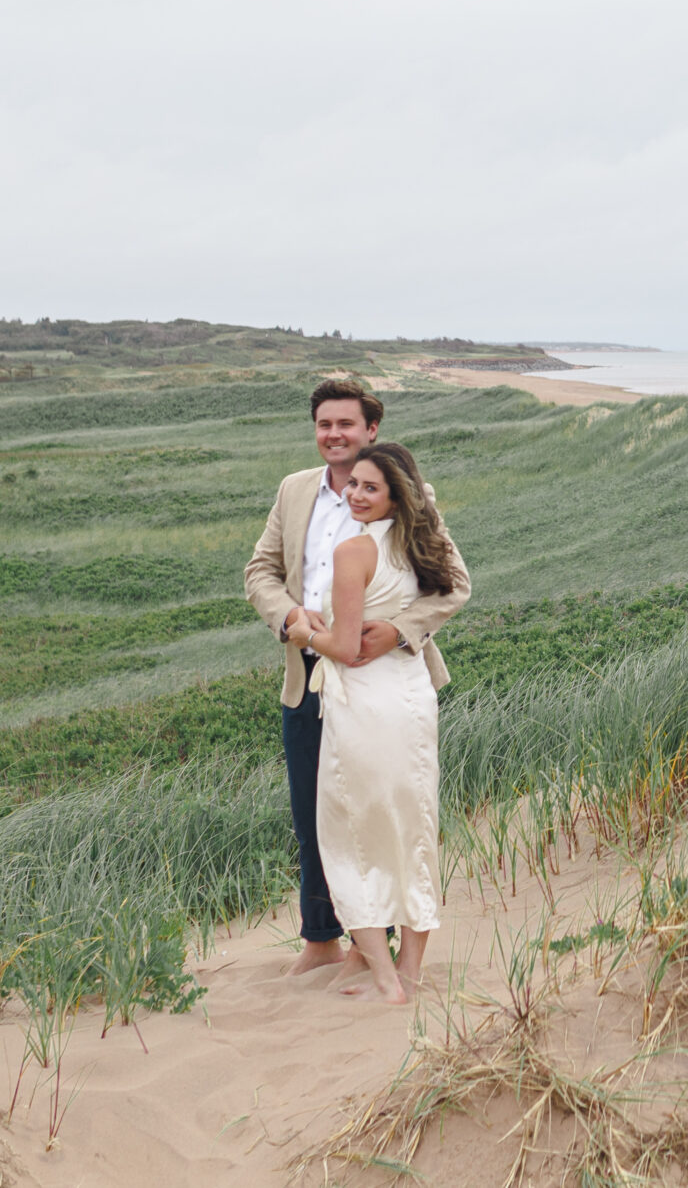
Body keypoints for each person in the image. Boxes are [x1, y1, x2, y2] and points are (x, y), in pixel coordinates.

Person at [244, 382, 460, 974]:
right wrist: (289, 616)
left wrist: (399, 629)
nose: (333, 434)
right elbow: (261, 570)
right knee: (314, 810)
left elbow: (454, 584)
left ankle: (378, 951)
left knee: (380, 806)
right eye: (323, 424)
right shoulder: (293, 491)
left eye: (345, 423)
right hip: (309, 673)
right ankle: (320, 940)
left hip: (382, 672)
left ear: (372, 430)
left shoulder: (410, 493)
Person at [286, 440, 466, 1002]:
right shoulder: (423, 543)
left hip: (363, 701)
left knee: (349, 834)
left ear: (395, 495)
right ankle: (409, 970)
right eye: (353, 485)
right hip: (412, 699)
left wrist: (300, 632)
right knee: (414, 828)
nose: (356, 494)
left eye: (370, 487)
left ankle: (385, 979)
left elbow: (342, 646)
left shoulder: (352, 552)